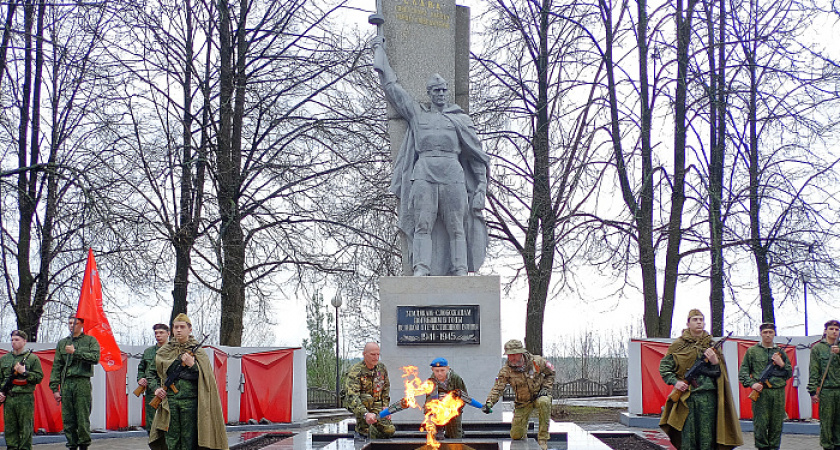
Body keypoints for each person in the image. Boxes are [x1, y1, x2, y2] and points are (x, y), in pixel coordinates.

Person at [371, 35, 490, 276]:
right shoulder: (418, 115)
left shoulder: (460, 120)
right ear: (429, 92)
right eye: (436, 90)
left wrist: (481, 188)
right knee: (422, 224)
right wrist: (379, 51)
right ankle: (421, 268)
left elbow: (477, 156)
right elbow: (393, 89)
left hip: (452, 173)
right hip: (424, 172)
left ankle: (459, 269)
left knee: (457, 226)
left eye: (444, 89)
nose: (441, 93)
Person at [659, 309, 742, 450]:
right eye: (695, 319)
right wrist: (676, 382)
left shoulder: (711, 344)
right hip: (687, 399)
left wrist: (715, 362)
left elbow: (720, 374)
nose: (699, 322)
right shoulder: (678, 345)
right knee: (687, 439)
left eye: (701, 319)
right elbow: (665, 368)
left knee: (707, 439)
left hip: (708, 399)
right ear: (688, 323)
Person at [148, 314, 227, 450]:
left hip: (190, 402)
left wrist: (193, 365)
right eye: (176, 327)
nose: (178, 330)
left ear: (189, 330)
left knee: (189, 439)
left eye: (182, 327)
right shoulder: (164, 351)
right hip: (169, 402)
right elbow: (150, 373)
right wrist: (156, 388)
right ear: (172, 330)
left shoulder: (198, 352)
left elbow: (206, 378)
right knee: (171, 438)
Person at [483, 339, 555, 450]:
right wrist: (489, 403)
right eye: (509, 355)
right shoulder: (506, 371)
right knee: (516, 435)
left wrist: (546, 388)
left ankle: (542, 439)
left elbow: (551, 373)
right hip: (522, 402)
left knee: (544, 402)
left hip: (539, 396)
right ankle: (523, 434)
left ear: (521, 353)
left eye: (514, 354)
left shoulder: (537, 361)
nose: (512, 358)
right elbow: (498, 388)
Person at [738, 322, 792, 450]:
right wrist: (753, 384)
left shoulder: (780, 352)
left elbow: (789, 373)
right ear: (761, 334)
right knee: (760, 425)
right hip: (761, 394)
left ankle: (774, 447)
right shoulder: (752, 351)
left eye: (770, 332)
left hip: (777, 393)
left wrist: (781, 364)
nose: (768, 335)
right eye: (765, 332)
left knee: (776, 424)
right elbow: (743, 373)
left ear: (774, 334)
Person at [49, 316, 100, 450]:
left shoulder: (90, 341)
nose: (72, 326)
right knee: (68, 418)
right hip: (67, 383)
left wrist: (75, 352)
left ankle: (83, 445)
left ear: (82, 325)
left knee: (82, 417)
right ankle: (71, 445)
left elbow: (95, 358)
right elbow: (57, 367)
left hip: (81, 382)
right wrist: (55, 388)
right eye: (70, 323)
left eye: (75, 323)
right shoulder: (62, 343)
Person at [0, 330, 44, 450]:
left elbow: (39, 378)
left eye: (17, 339)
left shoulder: (32, 359)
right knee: (10, 429)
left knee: (25, 429)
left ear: (24, 341)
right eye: (12, 340)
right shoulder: (5, 359)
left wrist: (24, 373)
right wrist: (1, 392)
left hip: (25, 397)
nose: (13, 342)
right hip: (9, 398)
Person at [343, 342, 395, 439]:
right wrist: (365, 414)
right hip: (360, 405)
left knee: (389, 430)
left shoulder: (382, 368)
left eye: (378, 354)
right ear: (364, 354)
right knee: (367, 398)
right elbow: (352, 396)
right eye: (372, 354)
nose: (376, 357)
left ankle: (373, 432)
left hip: (377, 405)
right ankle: (362, 428)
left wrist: (385, 406)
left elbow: (385, 388)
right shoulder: (356, 371)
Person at [808, 319, 840, 450]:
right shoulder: (818, 349)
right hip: (826, 391)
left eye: (837, 329)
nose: (834, 332)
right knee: (826, 423)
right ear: (825, 331)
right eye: (831, 329)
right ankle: (827, 447)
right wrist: (812, 391)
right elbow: (814, 371)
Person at [137, 323, 170, 434]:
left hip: (168, 391)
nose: (158, 335)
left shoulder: (173, 351)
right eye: (156, 333)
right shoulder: (148, 352)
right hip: (152, 391)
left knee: (168, 423)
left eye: (161, 332)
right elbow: (142, 368)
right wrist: (141, 378)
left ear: (168, 334)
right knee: (151, 423)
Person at [424, 357, 468, 439]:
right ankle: (439, 431)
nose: (439, 373)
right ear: (432, 370)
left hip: (454, 410)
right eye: (437, 371)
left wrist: (450, 399)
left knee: (455, 436)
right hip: (437, 411)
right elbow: (428, 399)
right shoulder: (431, 382)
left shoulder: (456, 379)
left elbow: (464, 397)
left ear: (447, 369)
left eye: (442, 370)